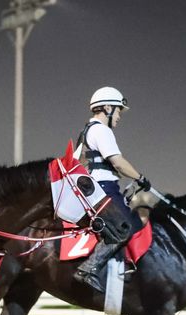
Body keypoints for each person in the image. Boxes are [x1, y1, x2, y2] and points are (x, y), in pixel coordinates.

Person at [73, 86, 152, 293]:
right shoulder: (101, 130)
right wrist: (140, 177)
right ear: (107, 108)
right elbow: (117, 162)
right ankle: (88, 269)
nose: (119, 117)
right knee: (124, 226)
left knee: (131, 222)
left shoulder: (86, 131)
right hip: (103, 188)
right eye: (118, 111)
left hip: (96, 187)